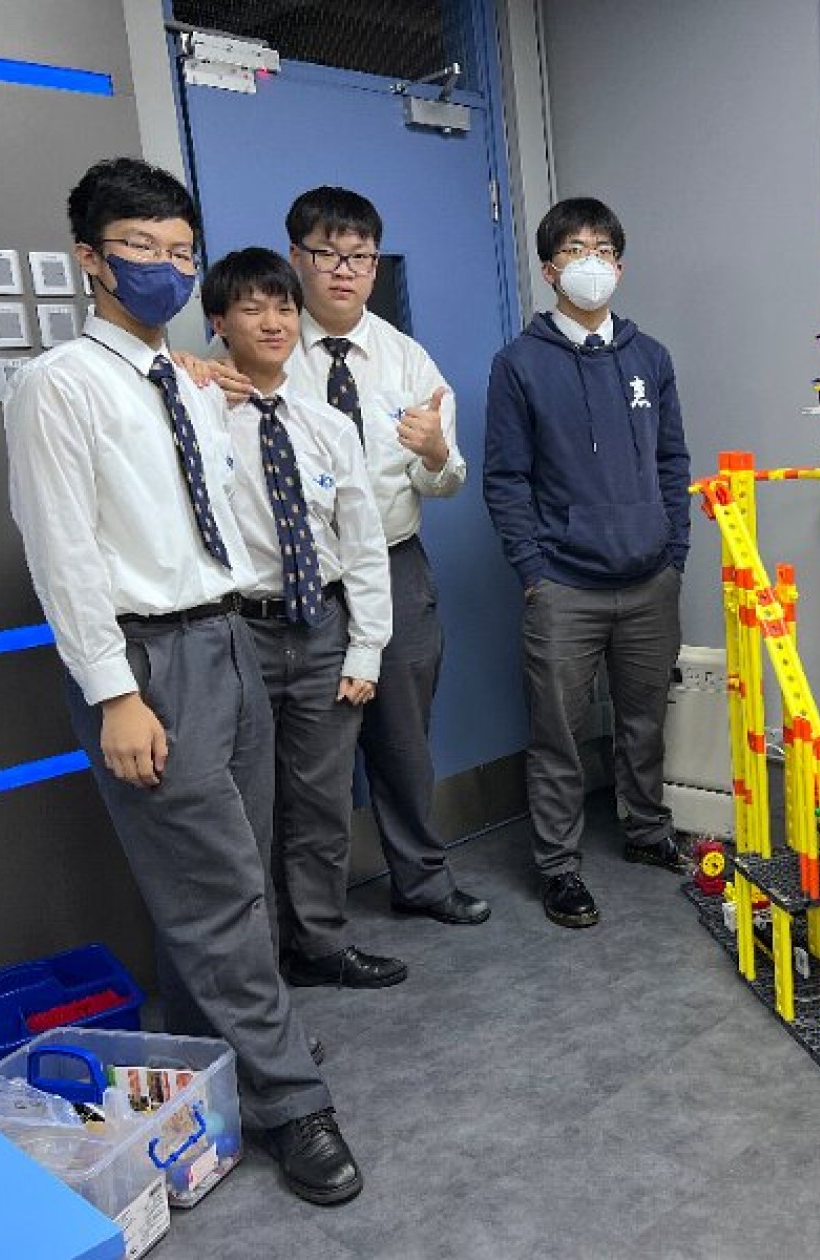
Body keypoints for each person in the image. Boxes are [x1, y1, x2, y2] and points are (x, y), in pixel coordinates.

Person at [3, 158, 360, 1205]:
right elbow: (62, 552)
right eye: (141, 248)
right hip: (145, 659)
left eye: (179, 250)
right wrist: (114, 693)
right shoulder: (59, 384)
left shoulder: (188, 382)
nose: (165, 266)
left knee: (224, 880)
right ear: (91, 259)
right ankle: (294, 1101)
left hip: (226, 638)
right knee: (216, 894)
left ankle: (212, 1066)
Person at [280, 187, 491, 928]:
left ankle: (422, 882)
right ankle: (309, 917)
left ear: (375, 266)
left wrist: (435, 452)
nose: (344, 271)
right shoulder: (265, 349)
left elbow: (446, 480)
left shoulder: (406, 359)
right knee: (311, 756)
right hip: (304, 578)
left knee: (403, 742)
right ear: (296, 258)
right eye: (327, 254)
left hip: (396, 568)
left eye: (360, 257)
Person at [482, 197, 692, 929]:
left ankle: (647, 829)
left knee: (644, 720)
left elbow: (672, 461)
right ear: (550, 270)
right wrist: (533, 572)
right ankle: (559, 867)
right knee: (560, 734)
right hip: (563, 587)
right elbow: (505, 479)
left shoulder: (649, 357)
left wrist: (675, 552)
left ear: (620, 266)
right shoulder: (519, 364)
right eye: (574, 250)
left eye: (603, 249)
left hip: (649, 578)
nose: (591, 262)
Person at [201, 247, 404, 992]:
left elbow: (364, 545)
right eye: (251, 308)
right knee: (244, 813)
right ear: (219, 322)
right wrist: (193, 380)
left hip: (322, 629)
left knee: (321, 804)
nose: (273, 322)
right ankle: (257, 969)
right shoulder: (195, 418)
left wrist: (366, 649)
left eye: (284, 307)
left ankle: (320, 944)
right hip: (239, 633)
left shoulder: (327, 425)